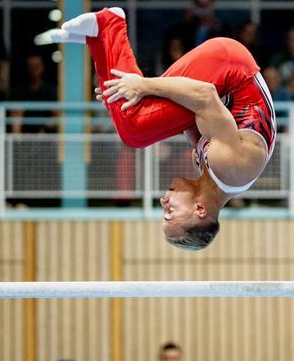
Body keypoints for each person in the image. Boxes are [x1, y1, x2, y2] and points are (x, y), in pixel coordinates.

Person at [37, 7, 276, 250]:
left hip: (225, 73)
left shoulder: (209, 169)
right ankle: (109, 25)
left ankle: (98, 39)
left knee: (132, 121)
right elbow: (204, 96)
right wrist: (143, 84)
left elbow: (189, 114)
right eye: (170, 211)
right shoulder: (232, 167)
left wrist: (120, 105)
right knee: (135, 130)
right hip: (231, 65)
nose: (164, 201)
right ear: (200, 209)